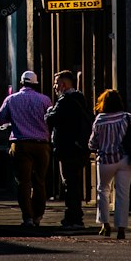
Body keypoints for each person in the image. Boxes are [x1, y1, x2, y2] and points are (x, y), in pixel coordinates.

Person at [0, 70, 53, 230]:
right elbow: (51, 118)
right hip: (42, 144)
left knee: (24, 183)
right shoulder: (45, 100)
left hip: (20, 144)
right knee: (40, 181)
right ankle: (38, 215)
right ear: (35, 84)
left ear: (21, 83)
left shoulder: (11, 99)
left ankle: (28, 217)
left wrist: (13, 120)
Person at [88, 88, 131, 239]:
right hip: (125, 159)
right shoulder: (126, 117)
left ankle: (105, 224)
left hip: (105, 160)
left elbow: (92, 143)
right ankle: (121, 227)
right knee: (123, 193)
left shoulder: (100, 119)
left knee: (103, 191)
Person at [46, 69, 91, 231]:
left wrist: (48, 113)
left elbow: (52, 119)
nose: (54, 87)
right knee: (74, 182)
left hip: (67, 149)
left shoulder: (64, 101)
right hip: (79, 148)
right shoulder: (81, 99)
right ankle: (73, 215)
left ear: (63, 85)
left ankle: (74, 217)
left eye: (56, 83)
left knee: (70, 183)